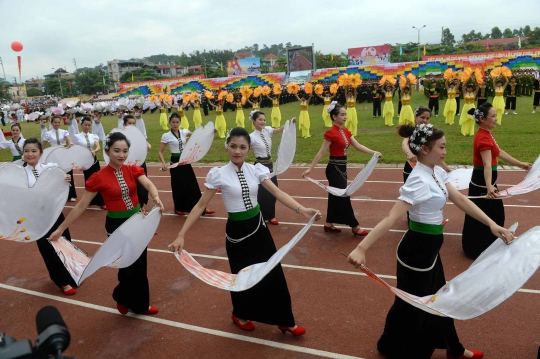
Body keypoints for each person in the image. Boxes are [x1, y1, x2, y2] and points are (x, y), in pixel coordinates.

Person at [347, 123, 515, 359]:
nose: (446, 151)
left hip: (430, 251)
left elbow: (460, 199)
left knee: (438, 299)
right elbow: (390, 218)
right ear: (425, 149)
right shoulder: (417, 181)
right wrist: (361, 248)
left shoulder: (435, 171)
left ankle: (453, 348)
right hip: (416, 254)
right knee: (415, 306)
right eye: (442, 147)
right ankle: (397, 348)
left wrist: (492, 224)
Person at [168, 127, 321, 336]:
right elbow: (200, 205)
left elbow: (276, 192)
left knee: (273, 272)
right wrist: (181, 234)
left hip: (259, 228)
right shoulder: (218, 174)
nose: (237, 151)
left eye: (242, 147)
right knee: (241, 277)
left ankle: (285, 320)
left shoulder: (256, 169)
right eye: (233, 146)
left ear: (249, 149)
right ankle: (240, 314)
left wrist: (301, 209)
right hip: (236, 234)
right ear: (227, 147)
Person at [48, 132, 164, 315]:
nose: (121, 155)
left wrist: (156, 197)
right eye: (117, 151)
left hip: (137, 222)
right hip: (117, 226)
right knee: (126, 265)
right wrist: (60, 229)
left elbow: (149, 185)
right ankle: (122, 296)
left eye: (125, 151)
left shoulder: (132, 169)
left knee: (140, 265)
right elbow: (81, 206)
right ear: (107, 151)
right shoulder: (99, 177)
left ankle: (139, 304)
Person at [461, 103, 531, 259]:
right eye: (492, 116)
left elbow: (498, 152)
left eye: (495, 115)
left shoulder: (486, 134)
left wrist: (520, 164)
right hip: (483, 183)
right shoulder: (483, 138)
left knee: (491, 214)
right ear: (482, 119)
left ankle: (480, 246)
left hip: (486, 182)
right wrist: (488, 187)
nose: (496, 118)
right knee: (491, 215)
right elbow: (486, 164)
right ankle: (477, 248)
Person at [303, 101, 382, 236]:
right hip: (334, 168)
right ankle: (354, 225)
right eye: (342, 115)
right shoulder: (330, 133)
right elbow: (321, 152)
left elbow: (358, 146)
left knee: (335, 196)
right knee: (344, 195)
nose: (345, 117)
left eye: (346, 114)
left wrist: (373, 152)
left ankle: (329, 223)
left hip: (342, 167)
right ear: (334, 117)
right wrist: (310, 168)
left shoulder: (345, 131)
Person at [22, 138, 78, 295]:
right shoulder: (20, 173)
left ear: (41, 153)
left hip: (55, 213)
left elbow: (61, 185)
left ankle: (71, 274)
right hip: (37, 217)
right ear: (23, 153)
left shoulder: (51, 168)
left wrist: (65, 179)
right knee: (48, 248)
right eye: (27, 151)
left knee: (65, 242)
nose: (30, 154)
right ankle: (61, 281)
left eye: (34, 151)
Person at [158, 112, 215, 216]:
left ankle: (201, 208)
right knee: (178, 186)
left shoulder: (183, 132)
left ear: (180, 122)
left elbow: (198, 135)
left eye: (177, 122)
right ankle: (178, 208)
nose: (175, 124)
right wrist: (163, 163)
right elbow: (160, 151)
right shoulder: (166, 136)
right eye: (173, 122)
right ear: (170, 122)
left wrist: (210, 132)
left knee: (192, 184)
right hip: (175, 162)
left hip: (185, 161)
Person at [249, 110, 295, 225]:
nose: (263, 122)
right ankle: (261, 216)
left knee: (274, 190)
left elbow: (280, 129)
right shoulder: (251, 137)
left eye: (264, 119)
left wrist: (290, 123)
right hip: (259, 166)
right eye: (260, 119)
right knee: (262, 192)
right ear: (254, 121)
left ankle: (271, 216)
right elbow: (244, 148)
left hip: (270, 166)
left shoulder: (267, 131)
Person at [401, 107, 451, 183]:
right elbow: (404, 144)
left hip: (426, 167)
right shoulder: (412, 131)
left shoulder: (429, 133)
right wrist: (410, 154)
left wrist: (444, 166)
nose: (425, 120)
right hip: (412, 167)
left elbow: (436, 152)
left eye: (427, 118)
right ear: (415, 117)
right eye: (422, 117)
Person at [72, 117, 106, 210]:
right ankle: (90, 200)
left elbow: (98, 146)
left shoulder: (93, 136)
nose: (87, 127)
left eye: (89, 125)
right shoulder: (77, 137)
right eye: (85, 125)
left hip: (94, 161)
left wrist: (95, 150)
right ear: (81, 125)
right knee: (88, 181)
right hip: (85, 162)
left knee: (98, 180)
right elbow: (74, 149)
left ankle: (101, 202)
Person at [42, 115, 77, 202]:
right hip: (53, 155)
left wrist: (70, 143)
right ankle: (56, 194)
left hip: (63, 154)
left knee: (68, 173)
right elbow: (43, 146)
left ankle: (70, 195)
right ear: (52, 123)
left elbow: (69, 139)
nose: (57, 124)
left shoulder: (64, 132)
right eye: (55, 122)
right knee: (55, 174)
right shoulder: (48, 134)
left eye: (58, 122)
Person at [123, 115, 151, 210]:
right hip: (128, 165)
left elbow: (145, 142)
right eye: (129, 123)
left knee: (142, 184)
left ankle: (141, 205)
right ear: (124, 124)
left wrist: (148, 145)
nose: (132, 125)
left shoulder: (138, 134)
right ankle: (132, 206)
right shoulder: (122, 136)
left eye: (133, 123)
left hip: (140, 163)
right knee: (131, 185)